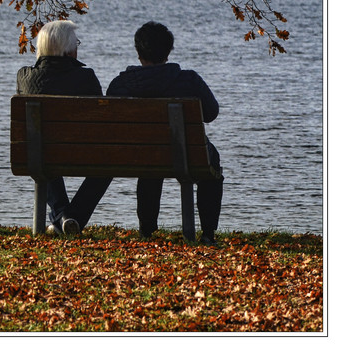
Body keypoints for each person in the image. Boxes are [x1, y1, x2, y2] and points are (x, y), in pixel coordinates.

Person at [67, 21, 224, 242]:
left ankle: (147, 231)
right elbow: (212, 113)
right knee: (211, 165)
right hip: (188, 155)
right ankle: (207, 234)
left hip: (136, 155)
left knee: (150, 163)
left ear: (139, 53)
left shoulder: (121, 84)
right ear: (168, 52)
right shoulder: (189, 80)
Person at [17, 19, 101, 235]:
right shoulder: (86, 77)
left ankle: (63, 217)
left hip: (36, 155)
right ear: (69, 50)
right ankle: (70, 219)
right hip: (83, 155)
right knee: (107, 166)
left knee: (41, 150)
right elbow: (99, 122)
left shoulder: (25, 76)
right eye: (76, 44)